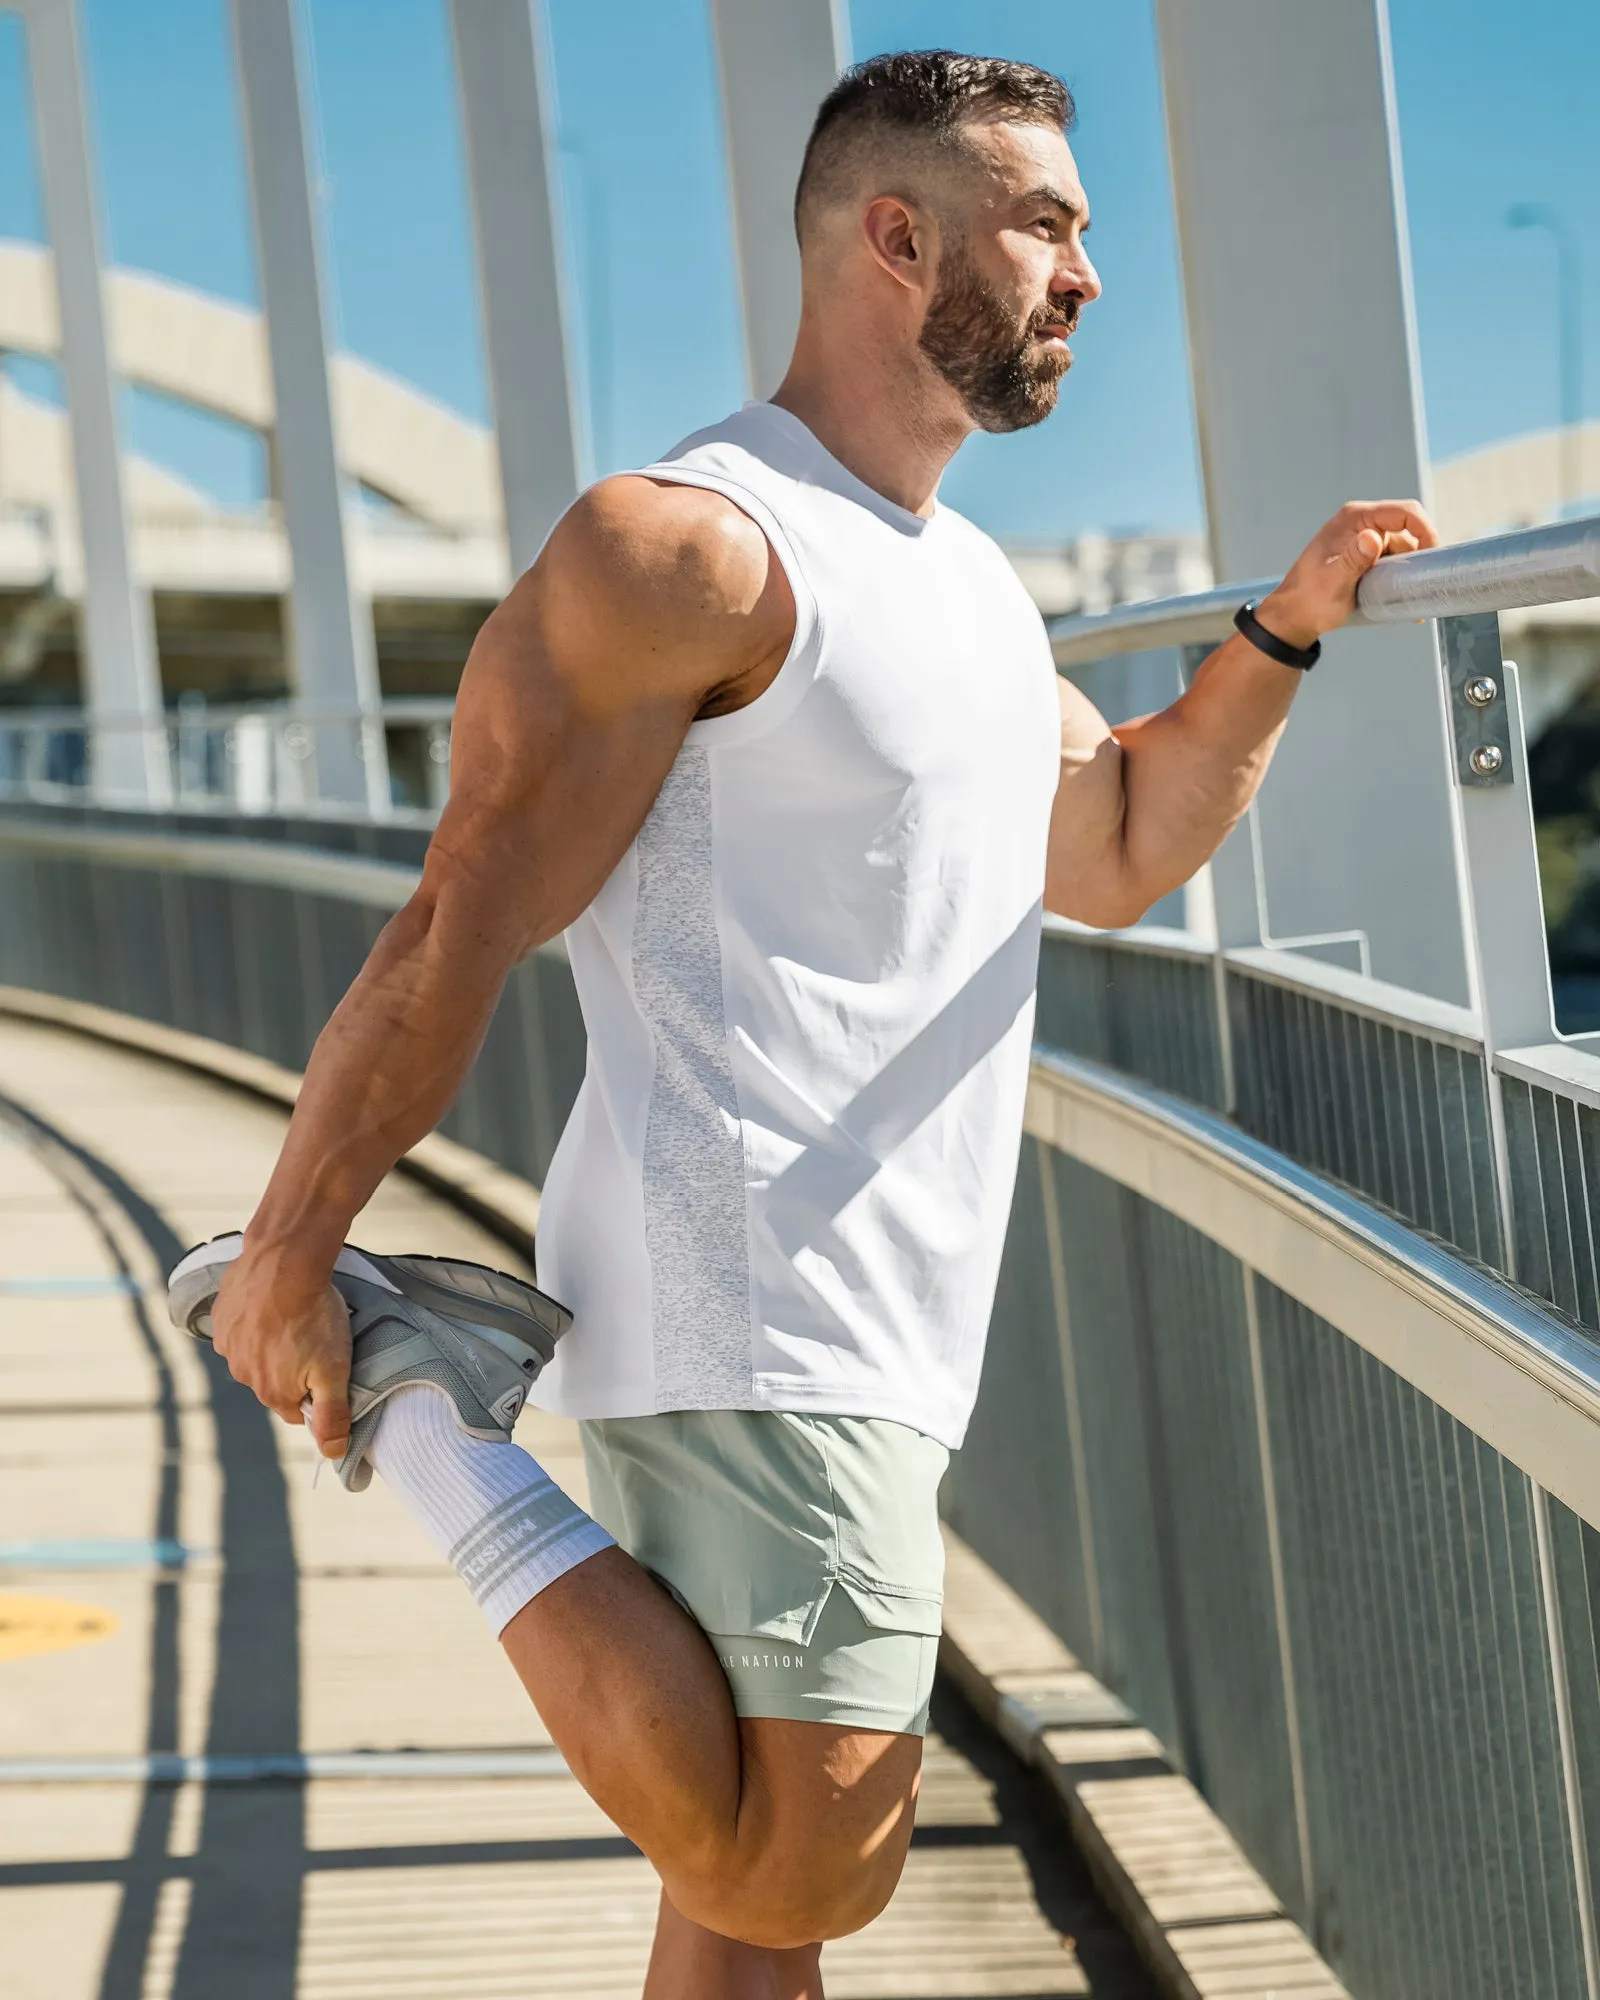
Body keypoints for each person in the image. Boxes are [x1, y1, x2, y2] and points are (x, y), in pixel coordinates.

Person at [199, 49, 1435, 2000]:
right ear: (895, 238)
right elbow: (459, 915)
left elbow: (1116, 842)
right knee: (803, 1866)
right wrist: (292, 1247)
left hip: (875, 1308)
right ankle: (427, 1404)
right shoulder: (692, 548)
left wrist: (1278, 636)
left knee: (743, 1939)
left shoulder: (966, 588)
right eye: (1045, 225)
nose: (1086, 274)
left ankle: (429, 1384)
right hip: (757, 1298)